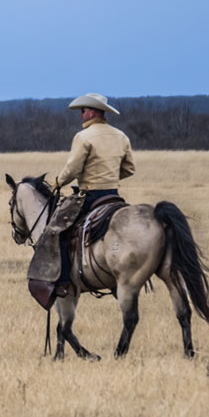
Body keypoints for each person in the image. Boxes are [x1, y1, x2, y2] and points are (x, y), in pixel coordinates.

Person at [35, 93, 135, 299]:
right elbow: (129, 169)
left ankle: (62, 282)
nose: (81, 115)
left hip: (90, 195)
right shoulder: (121, 136)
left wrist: (57, 183)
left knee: (56, 231)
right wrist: (110, 177)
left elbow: (72, 168)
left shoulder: (83, 137)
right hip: (114, 195)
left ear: (92, 111)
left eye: (83, 111)